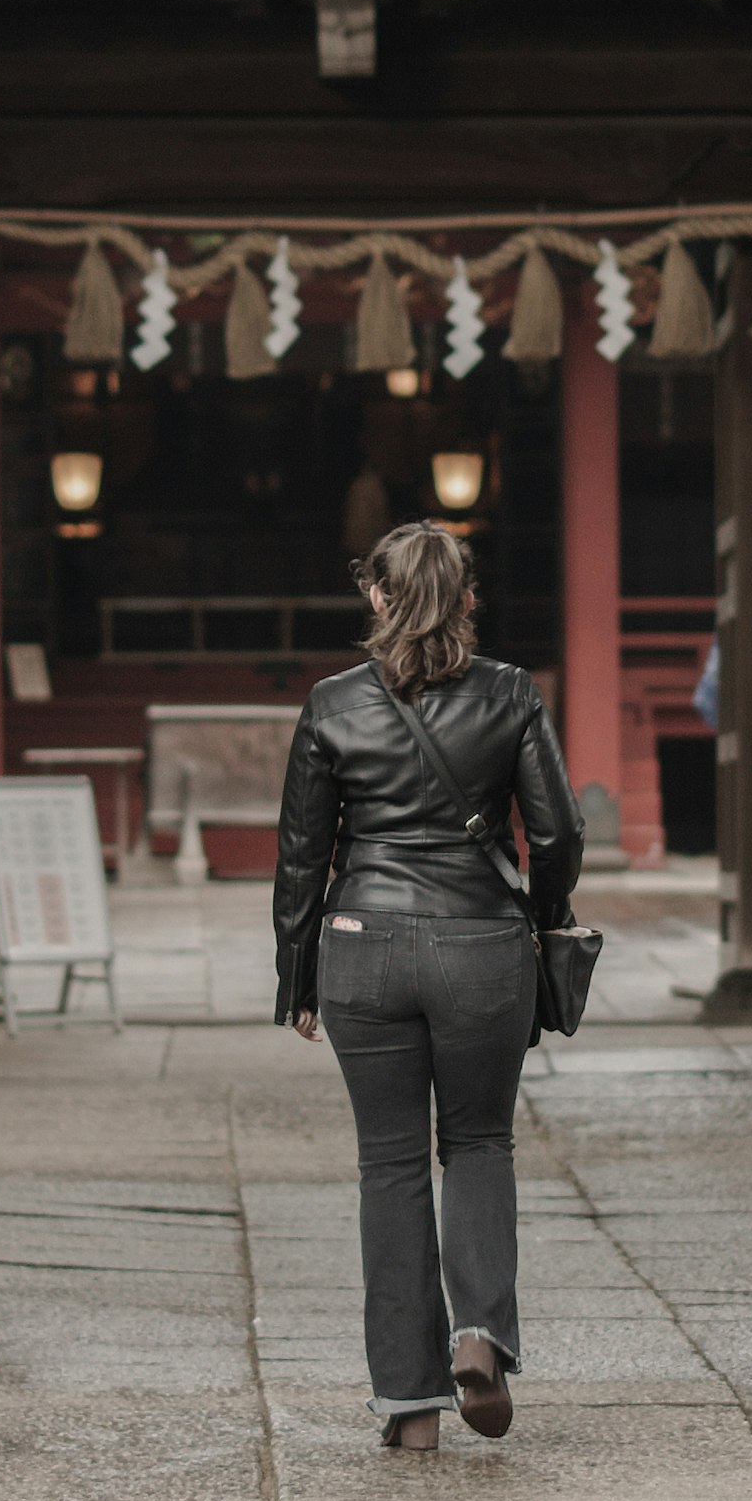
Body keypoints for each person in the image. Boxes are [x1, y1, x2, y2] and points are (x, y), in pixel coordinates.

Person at [276, 520, 582, 1450]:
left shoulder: (331, 704)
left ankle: (409, 1404)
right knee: (481, 1143)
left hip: (363, 944)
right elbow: (558, 833)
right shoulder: (512, 694)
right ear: (468, 598)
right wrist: (540, 920)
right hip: (480, 942)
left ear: (376, 597)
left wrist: (296, 977)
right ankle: (480, 1333)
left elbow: (301, 857)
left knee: (391, 1162)